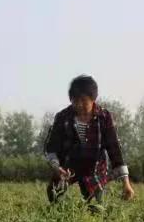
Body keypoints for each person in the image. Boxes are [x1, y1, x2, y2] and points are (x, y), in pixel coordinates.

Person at [44, 74, 135, 205]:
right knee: (53, 193)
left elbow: (114, 149)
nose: (79, 105)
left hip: (95, 166)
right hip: (69, 165)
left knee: (98, 204)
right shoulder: (62, 117)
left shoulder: (104, 117)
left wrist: (126, 183)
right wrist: (56, 167)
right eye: (75, 100)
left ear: (93, 99)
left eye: (84, 100)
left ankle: (98, 214)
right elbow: (51, 148)